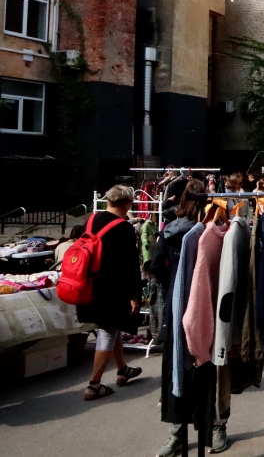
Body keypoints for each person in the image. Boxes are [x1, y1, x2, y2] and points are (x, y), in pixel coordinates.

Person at [152, 179, 213, 455]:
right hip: (205, 308)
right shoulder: (205, 232)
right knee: (205, 366)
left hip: (176, 309)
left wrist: (172, 285)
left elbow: (155, 266)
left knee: (177, 368)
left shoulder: (169, 231)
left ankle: (176, 433)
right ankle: (212, 425)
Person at [76, 185, 143, 401]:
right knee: (108, 331)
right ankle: (94, 384)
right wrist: (134, 295)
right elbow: (131, 265)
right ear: (128, 204)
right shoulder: (123, 227)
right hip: (113, 289)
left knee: (112, 329)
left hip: (90, 283)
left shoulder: (91, 219)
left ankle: (122, 370)